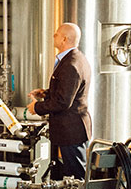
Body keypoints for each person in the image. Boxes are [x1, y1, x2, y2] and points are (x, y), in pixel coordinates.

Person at [27, 22, 92, 179]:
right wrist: (45, 93)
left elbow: (63, 102)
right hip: (69, 129)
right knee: (68, 174)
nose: (53, 36)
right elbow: (68, 90)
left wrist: (37, 107)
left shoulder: (71, 64)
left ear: (64, 39)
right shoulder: (74, 58)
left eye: (56, 34)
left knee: (76, 177)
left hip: (71, 130)